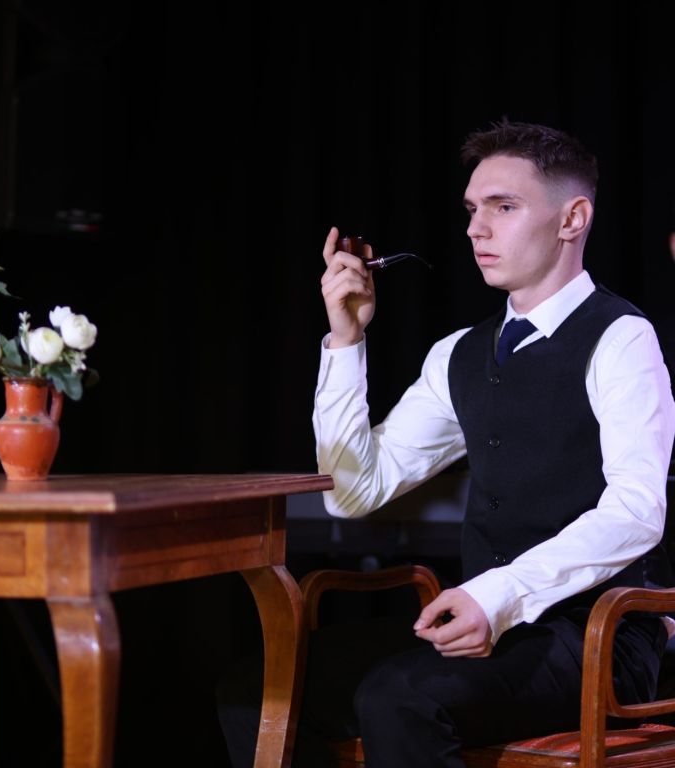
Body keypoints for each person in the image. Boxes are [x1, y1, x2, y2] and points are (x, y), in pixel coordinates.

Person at [217, 121, 675, 768]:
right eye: (471, 209)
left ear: (572, 219)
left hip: (599, 635)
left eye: (503, 207)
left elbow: (636, 512)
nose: (476, 229)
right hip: (489, 625)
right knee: (258, 688)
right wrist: (345, 342)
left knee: (399, 699)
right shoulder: (458, 353)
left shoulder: (621, 337)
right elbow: (353, 492)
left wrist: (497, 595)